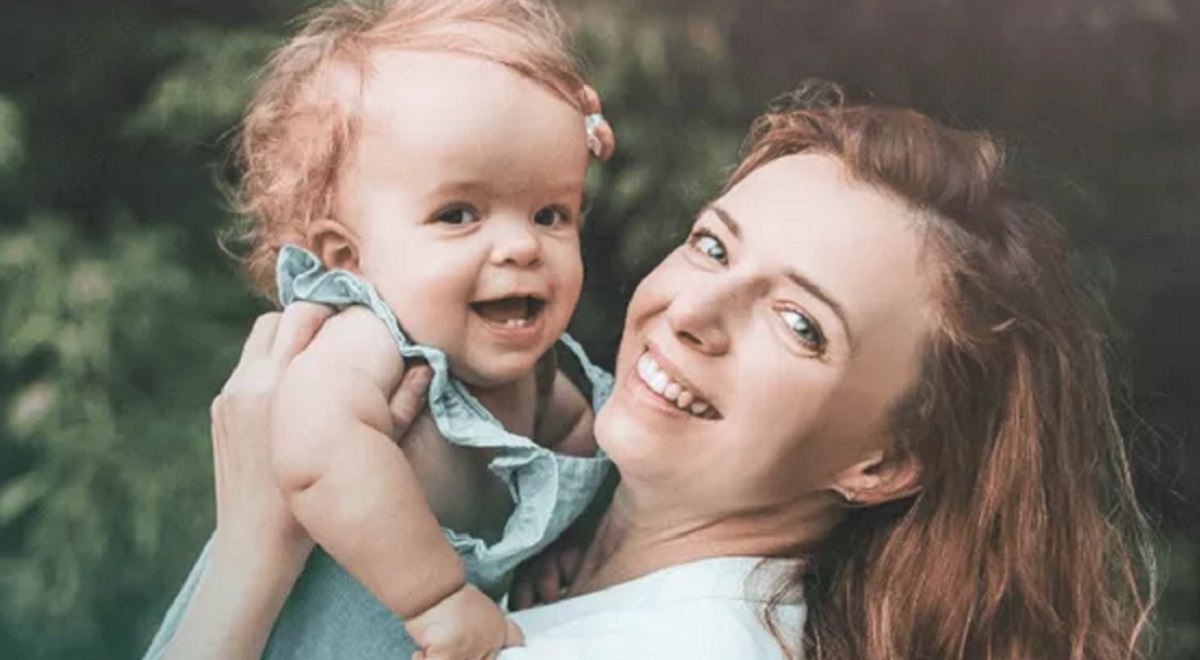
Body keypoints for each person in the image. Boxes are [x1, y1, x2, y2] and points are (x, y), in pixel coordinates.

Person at [150, 84, 1157, 659]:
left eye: (800, 325)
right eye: (713, 247)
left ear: (886, 461)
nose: (693, 313)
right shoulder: (563, 513)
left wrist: (253, 552)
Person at [142, 1, 620, 658]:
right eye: (458, 214)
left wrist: (563, 538)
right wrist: (437, 600)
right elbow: (316, 447)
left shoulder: (538, 382)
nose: (521, 246)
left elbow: (581, 434)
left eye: (550, 214)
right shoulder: (370, 340)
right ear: (348, 258)